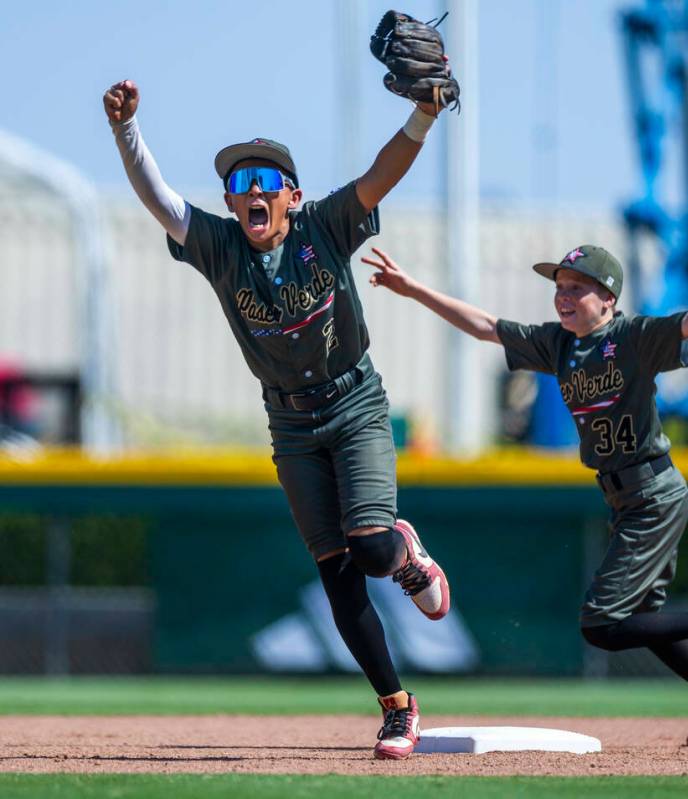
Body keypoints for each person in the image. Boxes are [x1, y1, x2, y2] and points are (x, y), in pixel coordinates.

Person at [103, 78, 452, 759]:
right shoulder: (220, 245)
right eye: (239, 182)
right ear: (231, 202)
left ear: (291, 193)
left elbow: (380, 176)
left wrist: (422, 114)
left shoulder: (324, 226)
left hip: (353, 403)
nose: (252, 190)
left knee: (372, 547)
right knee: (334, 570)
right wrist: (125, 131)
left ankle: (406, 554)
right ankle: (397, 706)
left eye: (266, 178)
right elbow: (159, 199)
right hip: (289, 423)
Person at [363, 243, 688, 745]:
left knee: (601, 624)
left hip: (653, 492)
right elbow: (485, 326)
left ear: (608, 297)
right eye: (559, 288)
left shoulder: (632, 335)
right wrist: (413, 290)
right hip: (626, 499)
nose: (563, 297)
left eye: (576, 288)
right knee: (641, 620)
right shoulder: (559, 345)